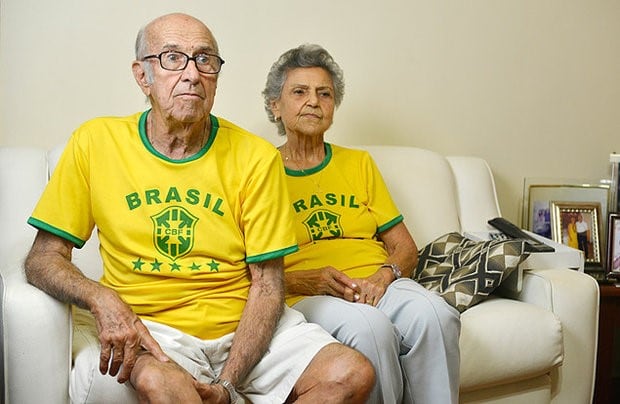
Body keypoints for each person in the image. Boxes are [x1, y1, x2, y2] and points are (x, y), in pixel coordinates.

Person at [24, 14, 374, 404]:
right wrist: (102, 298)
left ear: (216, 77)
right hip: (155, 329)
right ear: (143, 76)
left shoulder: (255, 156)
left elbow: (268, 285)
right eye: (173, 58)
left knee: (351, 373)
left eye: (205, 59)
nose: (192, 73)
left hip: (246, 326)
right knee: (163, 385)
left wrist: (228, 383)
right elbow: (42, 259)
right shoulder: (95, 142)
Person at [262, 43, 461, 404]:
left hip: (374, 283)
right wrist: (309, 279)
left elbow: (404, 248)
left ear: (334, 106)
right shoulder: (259, 171)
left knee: (436, 314)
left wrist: (384, 276)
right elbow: (245, 271)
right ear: (276, 105)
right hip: (307, 293)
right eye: (299, 92)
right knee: (370, 328)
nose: (314, 101)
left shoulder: (359, 163)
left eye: (325, 93)